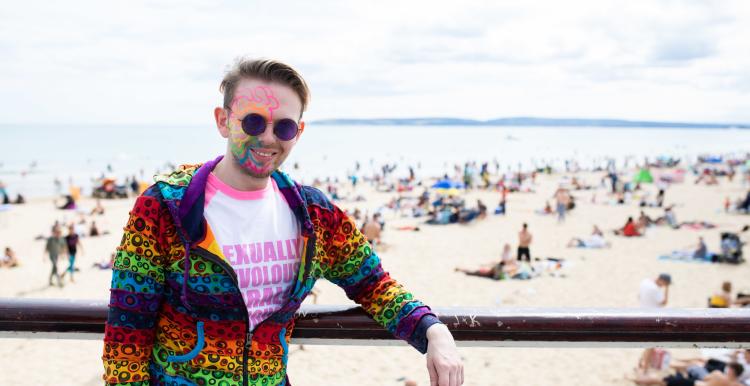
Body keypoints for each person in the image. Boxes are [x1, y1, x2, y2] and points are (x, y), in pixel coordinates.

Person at [102, 58, 462, 386]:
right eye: (254, 121)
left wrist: (432, 330)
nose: (268, 137)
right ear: (223, 120)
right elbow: (127, 334)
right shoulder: (165, 207)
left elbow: (374, 285)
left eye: (284, 127)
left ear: (299, 132)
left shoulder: (314, 216)